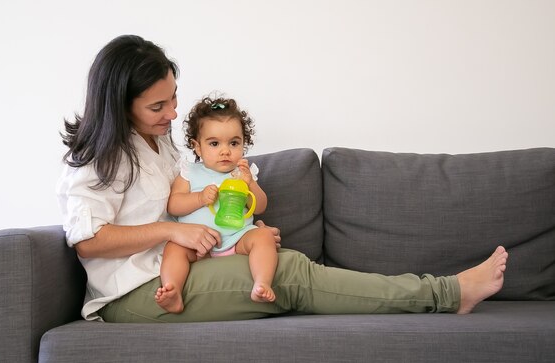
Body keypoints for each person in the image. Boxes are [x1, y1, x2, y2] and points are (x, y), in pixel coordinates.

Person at [56, 34, 508, 323]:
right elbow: (88, 239)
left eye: (173, 99)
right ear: (120, 103)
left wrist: (235, 231)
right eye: (158, 107)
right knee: (290, 272)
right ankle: (447, 293)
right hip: (135, 294)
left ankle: (443, 292)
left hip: (178, 267)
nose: (172, 113)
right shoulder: (98, 157)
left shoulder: (163, 146)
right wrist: (175, 229)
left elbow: (199, 208)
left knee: (276, 256)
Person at [157, 96, 277, 314]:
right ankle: (172, 289)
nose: (225, 151)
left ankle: (262, 283)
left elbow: (260, 207)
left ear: (243, 143)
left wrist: (250, 184)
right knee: (173, 248)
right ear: (198, 147)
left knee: (263, 237)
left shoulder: (243, 173)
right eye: (214, 143)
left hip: (236, 238)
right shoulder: (189, 172)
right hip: (195, 246)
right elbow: (173, 205)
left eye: (234, 143)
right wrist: (200, 198)